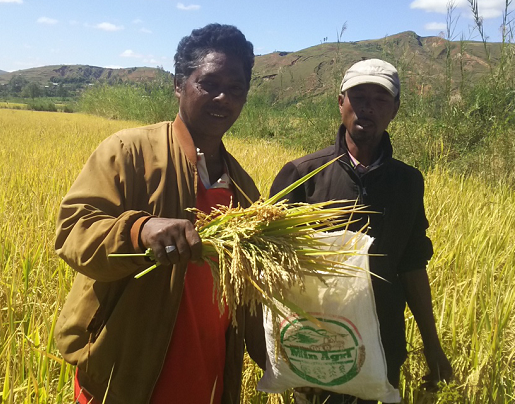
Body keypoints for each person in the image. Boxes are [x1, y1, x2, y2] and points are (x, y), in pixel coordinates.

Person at [54, 23, 265, 404]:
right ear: (179, 84)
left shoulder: (243, 188)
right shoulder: (129, 152)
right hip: (127, 377)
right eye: (209, 84)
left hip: (207, 376)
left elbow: (249, 292)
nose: (223, 98)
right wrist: (141, 230)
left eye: (236, 89)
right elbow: (73, 231)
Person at [270, 59, 452, 403]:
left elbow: (412, 265)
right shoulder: (303, 176)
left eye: (380, 99)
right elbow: (272, 269)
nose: (367, 107)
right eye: (358, 97)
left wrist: (433, 347)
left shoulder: (407, 183)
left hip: (382, 344)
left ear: (395, 109)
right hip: (318, 348)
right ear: (340, 102)